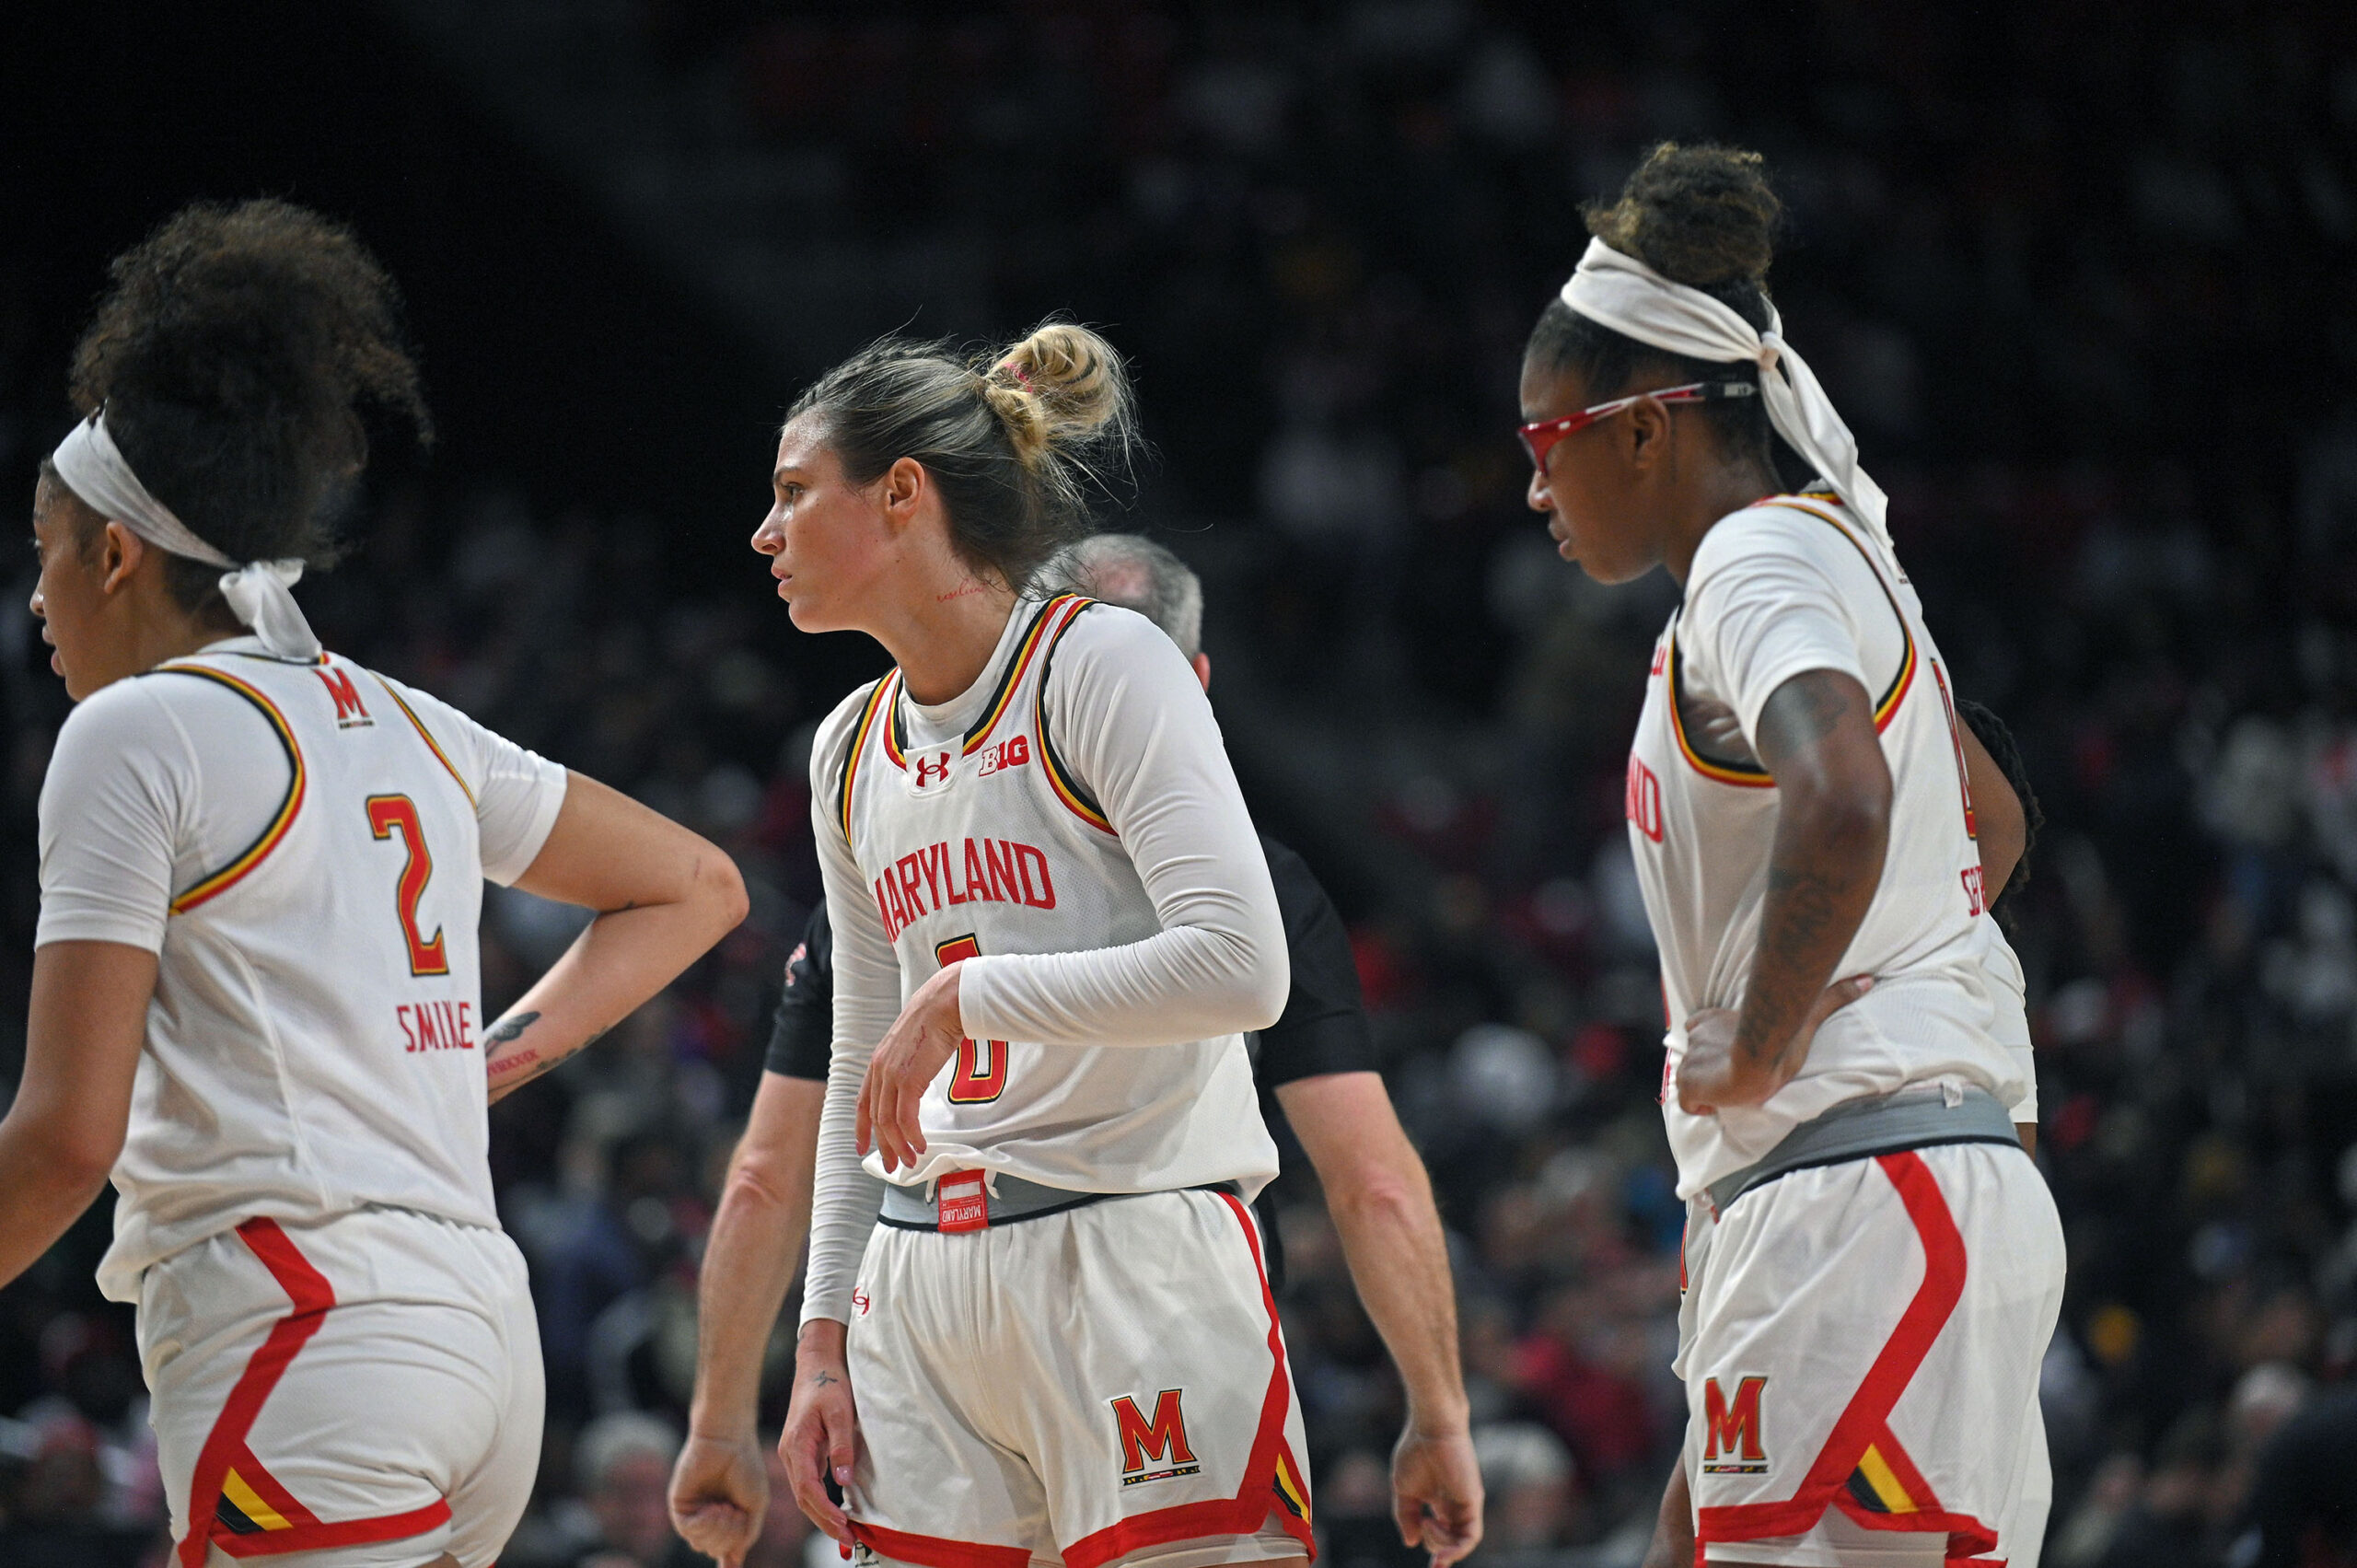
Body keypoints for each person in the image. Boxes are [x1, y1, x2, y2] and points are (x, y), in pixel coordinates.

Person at [0, 201, 748, 1568]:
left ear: (113, 550)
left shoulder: (131, 731)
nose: (38, 601)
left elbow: (65, 1137)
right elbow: (695, 882)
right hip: (478, 1336)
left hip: (308, 1330)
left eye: (43, 553)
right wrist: (481, 1060)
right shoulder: (406, 718)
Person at [671, 533, 1482, 1567]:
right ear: (1189, 687)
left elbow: (766, 1172)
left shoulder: (886, 816)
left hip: (926, 1285)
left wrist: (729, 1405)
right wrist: (1439, 1406)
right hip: (1131, 1286)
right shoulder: (1248, 878)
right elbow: (1370, 1177)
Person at [1517, 145, 2066, 1566]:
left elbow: (1843, 801)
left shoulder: (1755, 564)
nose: (1534, 488)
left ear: (1642, 429)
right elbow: (1988, 824)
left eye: (1542, 442)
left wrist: (1764, 1044)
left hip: (1850, 1192)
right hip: (1891, 1189)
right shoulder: (1837, 555)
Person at [730, 321, 1312, 1568]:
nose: (763, 533)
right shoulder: (845, 746)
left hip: (1130, 1247)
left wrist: (971, 995)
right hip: (918, 1274)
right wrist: (821, 1336)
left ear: (902, 492)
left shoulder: (1099, 663)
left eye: (790, 492)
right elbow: (854, 1071)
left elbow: (1242, 965)